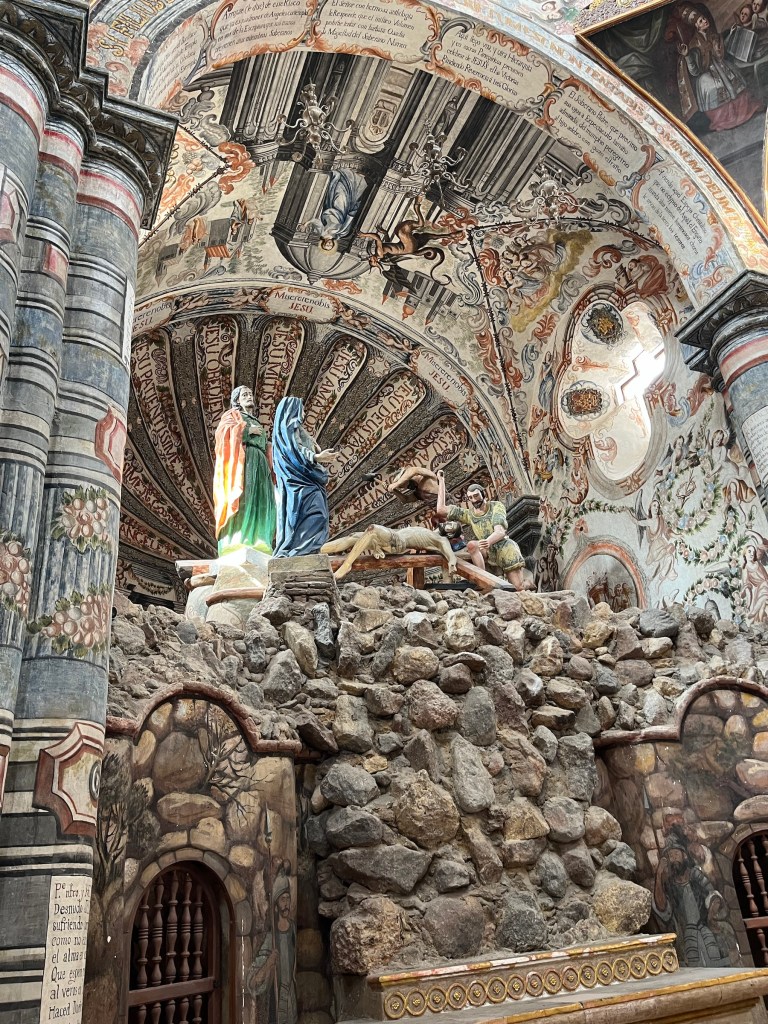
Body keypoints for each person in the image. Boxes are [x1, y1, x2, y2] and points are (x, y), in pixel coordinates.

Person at [436, 471, 533, 589]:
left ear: (483, 494)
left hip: (504, 547)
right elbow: (441, 510)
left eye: (476, 496)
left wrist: (488, 541)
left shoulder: (496, 506)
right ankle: (482, 580)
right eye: (470, 497)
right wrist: (441, 481)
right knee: (472, 545)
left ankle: (528, 583)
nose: (474, 500)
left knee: (518, 588)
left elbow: (500, 531)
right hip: (486, 549)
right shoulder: (469, 514)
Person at [213, 385, 276, 557]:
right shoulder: (233, 415)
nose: (249, 397)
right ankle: (238, 537)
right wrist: (246, 430)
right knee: (245, 496)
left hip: (261, 463)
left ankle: (259, 537)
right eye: (244, 395)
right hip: (245, 460)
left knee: (261, 499)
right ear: (237, 401)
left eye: (250, 394)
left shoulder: (256, 420)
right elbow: (222, 433)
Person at [677, 5, 761, 131]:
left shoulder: (714, 36)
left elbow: (721, 54)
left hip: (721, 66)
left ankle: (742, 113)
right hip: (707, 73)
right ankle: (725, 120)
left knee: (733, 77)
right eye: (700, 21)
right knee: (712, 86)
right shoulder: (694, 44)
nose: (705, 21)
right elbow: (694, 71)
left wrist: (722, 43)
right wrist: (687, 55)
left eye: (704, 18)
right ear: (696, 26)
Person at [271, 396, 337, 557]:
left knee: (314, 513)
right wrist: (316, 457)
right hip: (300, 482)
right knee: (315, 513)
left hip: (304, 479)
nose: (304, 413)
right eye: (302, 409)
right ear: (293, 410)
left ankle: (305, 549)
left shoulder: (295, 429)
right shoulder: (289, 428)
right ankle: (301, 550)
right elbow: (294, 449)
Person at [248, 872, 297, 1024]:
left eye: (288, 898)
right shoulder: (271, 937)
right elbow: (253, 981)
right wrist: (269, 963)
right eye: (282, 899)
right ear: (276, 904)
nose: (286, 903)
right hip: (275, 997)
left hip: (290, 997)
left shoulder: (294, 929)